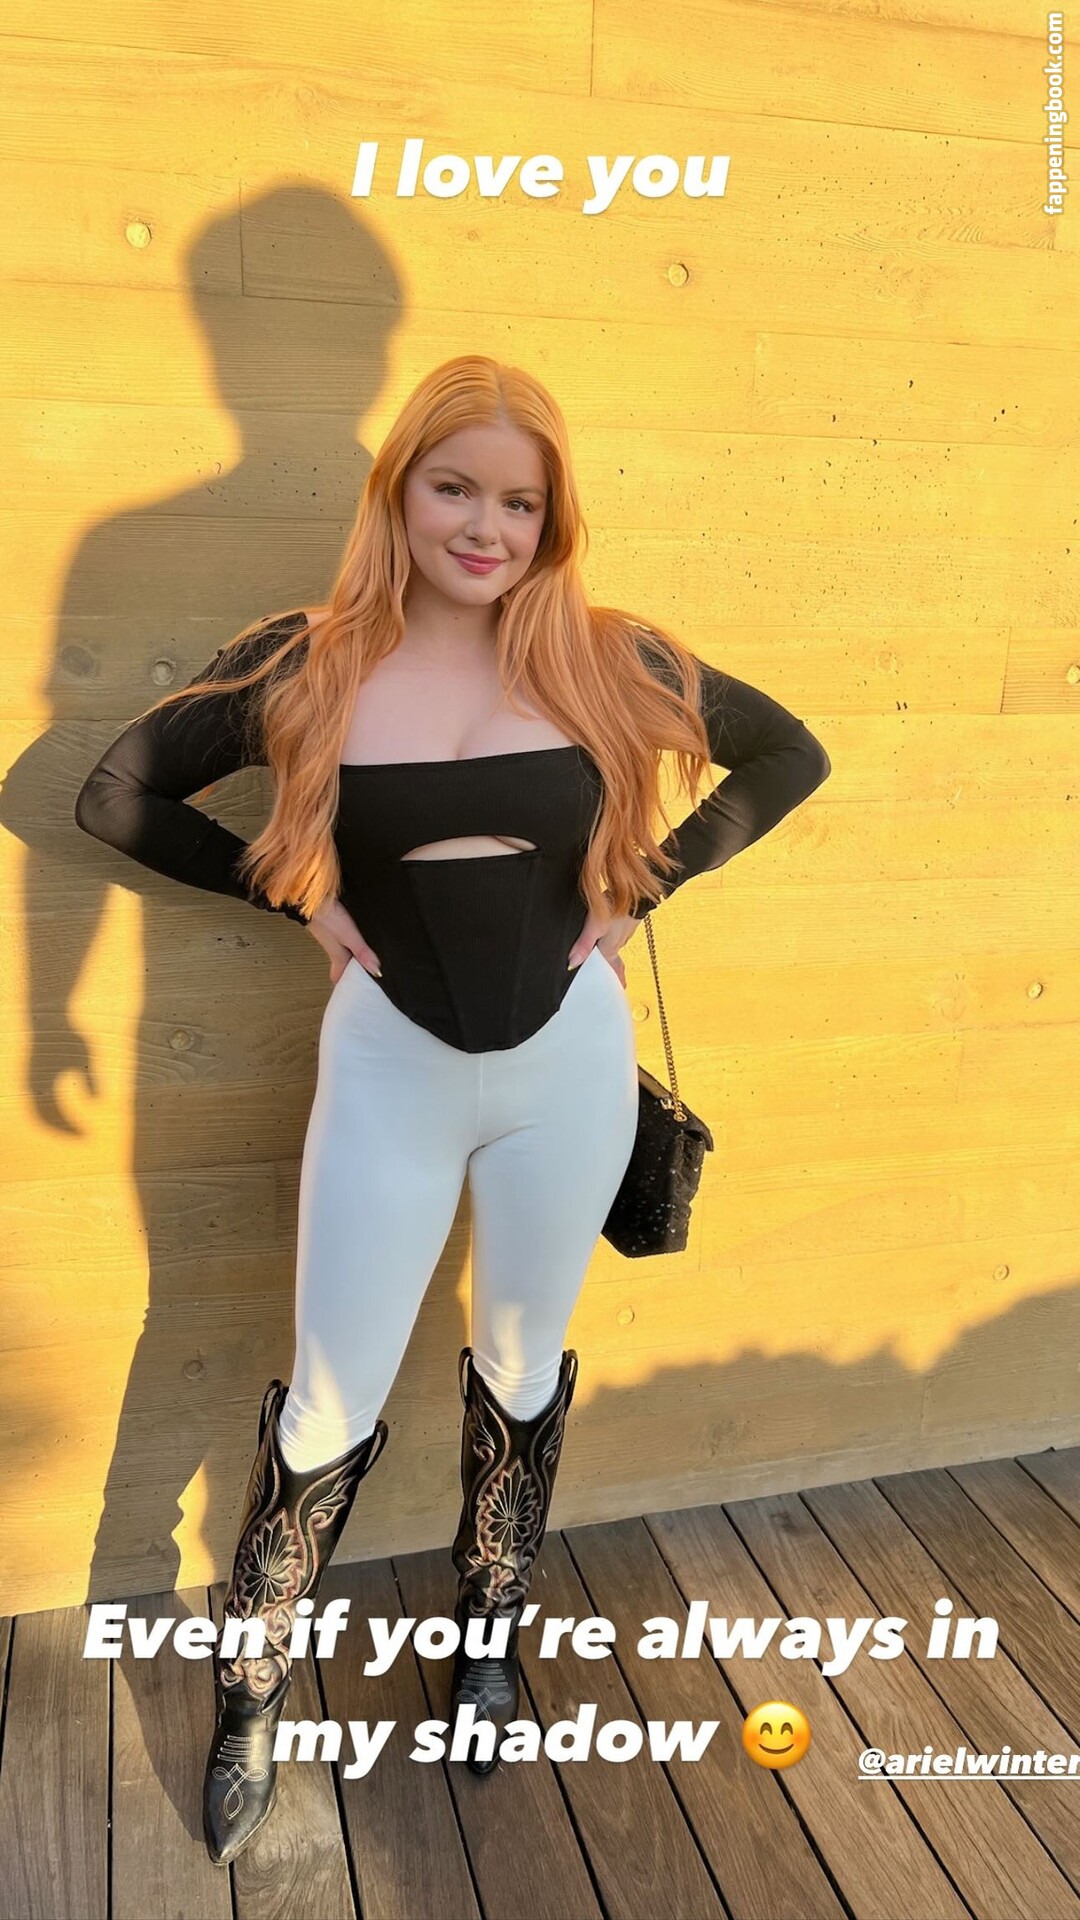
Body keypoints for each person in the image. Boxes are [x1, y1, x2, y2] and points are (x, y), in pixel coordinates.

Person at [74, 353, 831, 1865]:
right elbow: (116, 794)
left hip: (568, 1069)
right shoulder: (307, 662)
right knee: (330, 1395)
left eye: (521, 502)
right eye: (455, 489)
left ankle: (489, 1641)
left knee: (523, 1361)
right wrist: (295, 897)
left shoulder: (609, 657)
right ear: (399, 492)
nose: (487, 527)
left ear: (555, 517)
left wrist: (648, 884)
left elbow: (789, 754)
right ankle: (252, 1686)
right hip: (390, 1067)